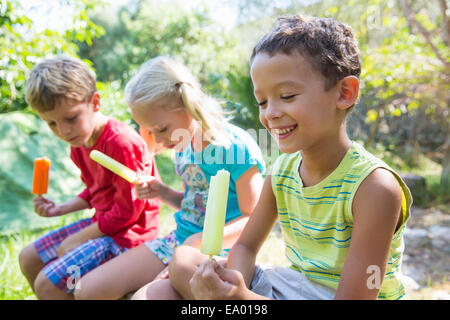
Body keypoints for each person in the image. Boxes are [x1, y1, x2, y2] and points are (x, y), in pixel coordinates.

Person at [172, 15, 413, 300]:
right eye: (262, 101)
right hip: (292, 287)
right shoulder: (282, 171)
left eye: (287, 96)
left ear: (344, 93)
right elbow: (246, 247)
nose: (270, 113)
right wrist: (234, 282)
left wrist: (240, 300)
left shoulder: (375, 187)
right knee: (182, 263)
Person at [72, 56, 265, 300]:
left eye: (161, 129)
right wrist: (163, 192)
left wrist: (198, 241)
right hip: (179, 239)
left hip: (218, 251)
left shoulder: (234, 147)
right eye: (150, 131)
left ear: (188, 104)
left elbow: (255, 218)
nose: (159, 140)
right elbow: (196, 204)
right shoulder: (184, 146)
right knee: (85, 290)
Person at [18, 56, 161, 300]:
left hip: (129, 235)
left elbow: (129, 210)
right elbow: (96, 191)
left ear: (95, 102)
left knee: (48, 284)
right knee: (28, 257)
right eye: (51, 123)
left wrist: (79, 238)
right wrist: (61, 209)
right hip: (105, 223)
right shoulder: (79, 142)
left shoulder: (121, 143)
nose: (63, 131)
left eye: (71, 118)